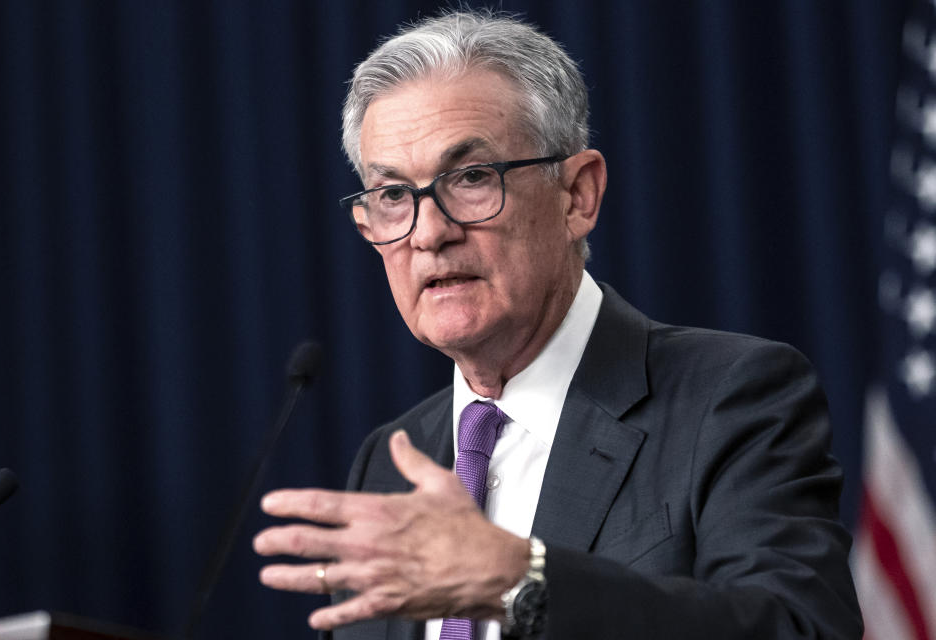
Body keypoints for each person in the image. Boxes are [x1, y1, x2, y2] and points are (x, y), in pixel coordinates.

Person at [252, 10, 862, 640]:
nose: (430, 233)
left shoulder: (730, 399)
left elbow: (799, 628)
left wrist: (518, 579)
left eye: (470, 178)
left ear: (578, 196)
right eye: (393, 195)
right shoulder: (391, 460)